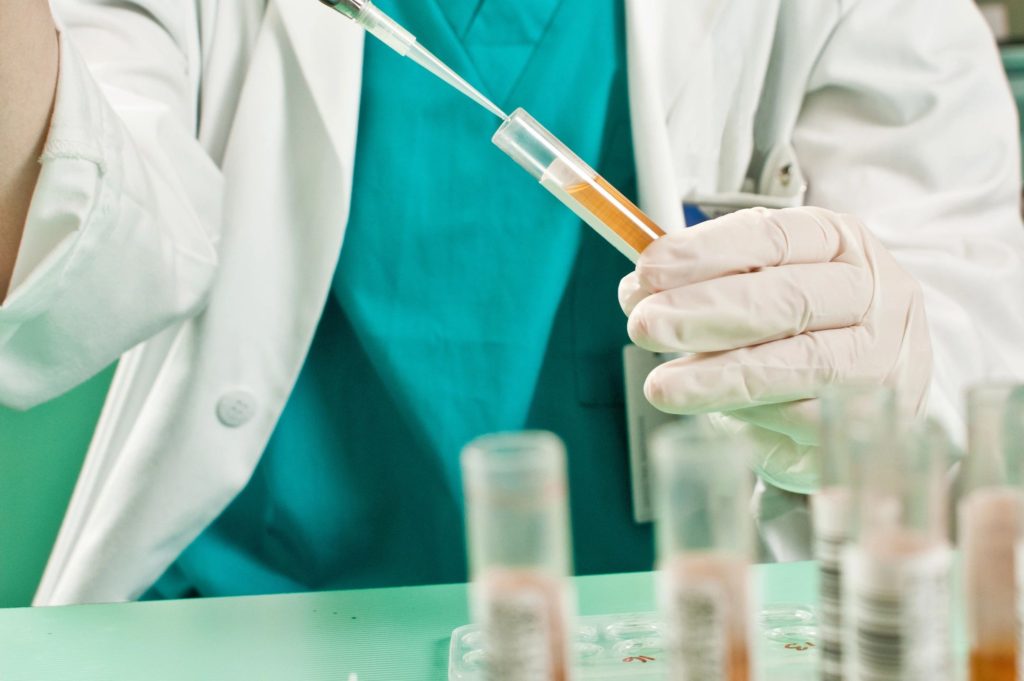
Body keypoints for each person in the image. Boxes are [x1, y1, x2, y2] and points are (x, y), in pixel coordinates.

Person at [2, 0, 1022, 605]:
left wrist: (879, 354)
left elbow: (965, 296)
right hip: (249, 616)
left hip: (672, 630)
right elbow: (82, 253)